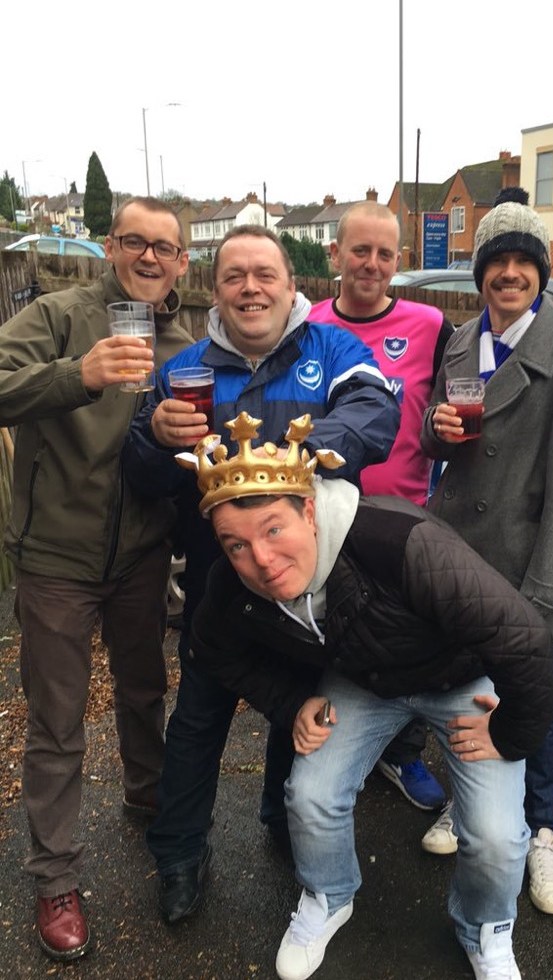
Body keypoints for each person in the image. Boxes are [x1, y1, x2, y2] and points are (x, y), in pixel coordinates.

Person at [179, 411, 553, 980]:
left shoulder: (401, 542)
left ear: (309, 510)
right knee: (310, 795)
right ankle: (328, 895)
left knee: (496, 837)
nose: (260, 560)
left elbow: (524, 639)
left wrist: (509, 734)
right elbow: (211, 649)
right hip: (365, 681)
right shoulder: (233, 584)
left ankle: (486, 927)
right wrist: (290, 702)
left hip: (458, 681)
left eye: (274, 530)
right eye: (236, 545)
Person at [122, 224, 399, 925]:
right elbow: (143, 474)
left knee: (294, 711)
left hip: (307, 587)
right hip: (218, 587)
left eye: (264, 274)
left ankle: (282, 820)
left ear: (291, 284)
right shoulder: (184, 368)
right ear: (215, 290)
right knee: (198, 721)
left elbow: (377, 410)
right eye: (234, 276)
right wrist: (154, 437)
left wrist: (294, 457)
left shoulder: (331, 349)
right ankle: (180, 854)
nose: (251, 288)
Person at [0, 197, 193, 960]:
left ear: (182, 263)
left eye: (164, 248)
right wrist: (75, 376)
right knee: (57, 721)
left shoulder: (185, 343)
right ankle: (55, 878)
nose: (149, 257)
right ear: (110, 247)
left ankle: (150, 802)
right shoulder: (58, 315)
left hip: (142, 555)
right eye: (134, 241)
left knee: (145, 691)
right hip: (56, 555)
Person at [419, 187, 553, 917]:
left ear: (541, 272)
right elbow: (436, 438)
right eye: (495, 261)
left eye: (523, 261)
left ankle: (540, 829)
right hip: (457, 551)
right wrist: (436, 429)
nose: (508, 273)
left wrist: (547, 589)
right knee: (460, 687)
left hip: (527, 560)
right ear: (481, 275)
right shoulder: (462, 340)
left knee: (536, 702)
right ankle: (468, 800)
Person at [310, 200, 454, 811]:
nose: (371, 264)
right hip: (323, 518)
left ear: (400, 260)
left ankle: (402, 752)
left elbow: (454, 406)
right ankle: (328, 746)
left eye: (385, 254)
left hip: (403, 520)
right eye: (360, 250)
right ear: (336, 254)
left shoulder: (432, 325)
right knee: (329, 640)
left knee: (409, 640)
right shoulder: (307, 323)